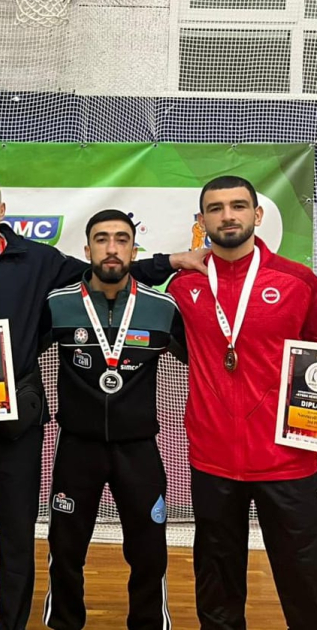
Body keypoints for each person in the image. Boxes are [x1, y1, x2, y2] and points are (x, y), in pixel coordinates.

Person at [0, 172, 205, 630]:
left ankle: (12, 625)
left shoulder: (40, 261)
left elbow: (109, 270)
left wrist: (172, 260)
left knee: (17, 535)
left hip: (17, 428)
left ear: (2, 210)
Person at [167, 175, 317, 630]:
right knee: (217, 584)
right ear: (202, 220)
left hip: (288, 461)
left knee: (306, 580)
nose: (227, 216)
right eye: (215, 208)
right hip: (212, 458)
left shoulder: (299, 282)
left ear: (258, 214)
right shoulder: (182, 288)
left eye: (238, 206)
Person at [41, 209, 186, 630]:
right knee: (65, 547)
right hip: (76, 446)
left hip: (138, 448)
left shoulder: (161, 307)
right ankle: (64, 622)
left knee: (148, 550)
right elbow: (18, 356)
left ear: (133, 250)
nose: (111, 248)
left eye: (121, 239)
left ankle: (148, 622)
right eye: (102, 239)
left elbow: (207, 362)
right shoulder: (58, 302)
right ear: (87, 249)